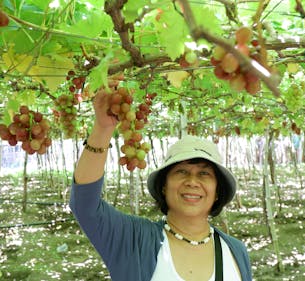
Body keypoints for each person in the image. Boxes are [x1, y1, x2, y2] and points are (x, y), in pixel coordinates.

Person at [69, 89, 252, 281]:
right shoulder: (133, 239)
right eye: (181, 172)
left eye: (204, 174)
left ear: (217, 192)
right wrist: (102, 129)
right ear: (164, 186)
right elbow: (85, 206)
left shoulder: (235, 251)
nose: (192, 182)